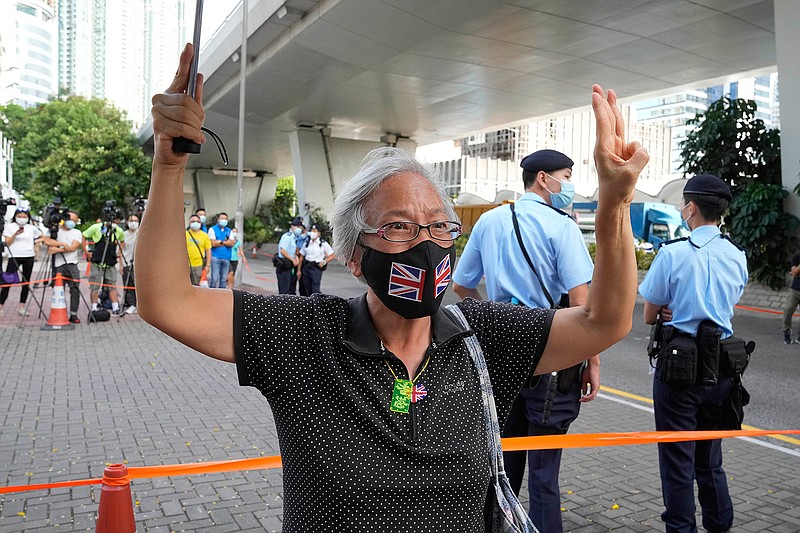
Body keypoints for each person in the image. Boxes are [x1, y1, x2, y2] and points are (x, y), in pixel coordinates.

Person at [138, 44, 647, 531]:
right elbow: (167, 300)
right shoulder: (306, 337)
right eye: (400, 227)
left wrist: (614, 203)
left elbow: (604, 321)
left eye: (439, 226)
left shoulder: (483, 338)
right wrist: (168, 165)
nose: (426, 242)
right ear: (355, 257)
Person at [452, 149, 599, 532]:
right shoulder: (562, 226)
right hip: (552, 349)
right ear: (543, 179)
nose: (569, 184)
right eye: (566, 176)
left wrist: (493, 316)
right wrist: (592, 362)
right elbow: (583, 305)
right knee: (544, 476)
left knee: (503, 468)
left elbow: (462, 285)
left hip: (501, 354)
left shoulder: (490, 220)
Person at [639, 174, 748, 533]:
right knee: (710, 460)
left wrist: (673, 309)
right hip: (723, 369)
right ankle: (720, 526)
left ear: (691, 208)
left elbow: (649, 313)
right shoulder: (737, 256)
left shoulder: (673, 253)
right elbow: (727, 305)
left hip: (680, 370)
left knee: (677, 463)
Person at [40, 210, 84, 324]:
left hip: (72, 264)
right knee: (58, 289)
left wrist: (57, 249)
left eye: (75, 220)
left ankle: (74, 314)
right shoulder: (56, 231)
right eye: (71, 219)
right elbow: (46, 241)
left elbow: (73, 248)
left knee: (75, 289)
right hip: (58, 265)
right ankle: (59, 312)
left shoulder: (77, 232)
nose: (72, 222)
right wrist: (63, 244)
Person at [0, 207, 44, 316]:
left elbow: (43, 237)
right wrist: (15, 234)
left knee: (26, 282)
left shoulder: (31, 228)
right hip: (14, 256)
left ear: (28, 218)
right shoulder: (10, 227)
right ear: (15, 216)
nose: (22, 219)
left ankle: (22, 306)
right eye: (19, 216)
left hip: (28, 256)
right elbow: (7, 242)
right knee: (8, 281)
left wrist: (35, 241)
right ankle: (1, 306)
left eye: (24, 217)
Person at [83, 214, 125, 317]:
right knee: (95, 286)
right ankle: (94, 307)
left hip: (110, 262)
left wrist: (119, 252)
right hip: (97, 262)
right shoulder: (96, 227)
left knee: (112, 285)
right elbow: (84, 235)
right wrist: (86, 252)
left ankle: (115, 307)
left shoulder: (117, 230)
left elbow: (122, 240)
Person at [299, 223, 336, 295]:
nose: (312, 233)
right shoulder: (307, 243)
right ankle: (308, 305)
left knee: (315, 289)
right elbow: (301, 256)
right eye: (312, 231)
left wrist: (324, 261)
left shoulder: (322, 243)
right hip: (306, 267)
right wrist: (299, 270)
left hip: (316, 268)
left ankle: (316, 304)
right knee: (306, 288)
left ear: (319, 233)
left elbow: (332, 255)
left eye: (314, 231)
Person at [275, 217, 303, 294]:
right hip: (284, 265)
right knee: (284, 290)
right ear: (292, 227)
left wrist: (296, 257)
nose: (300, 229)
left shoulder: (294, 238)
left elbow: (291, 251)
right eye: (298, 227)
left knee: (290, 289)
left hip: (290, 266)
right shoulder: (288, 237)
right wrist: (293, 259)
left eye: (300, 228)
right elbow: (283, 251)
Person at [208, 212, 234, 288]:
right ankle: (211, 294)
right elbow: (213, 243)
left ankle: (222, 295)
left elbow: (232, 243)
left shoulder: (229, 231)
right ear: (218, 219)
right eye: (222, 218)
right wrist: (226, 242)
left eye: (226, 219)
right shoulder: (212, 229)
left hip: (226, 257)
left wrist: (220, 242)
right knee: (214, 278)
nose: (224, 220)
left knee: (223, 279)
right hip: (215, 257)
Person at [186, 214, 211, 285]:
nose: (195, 223)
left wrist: (208, 265)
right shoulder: (184, 234)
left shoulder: (204, 236)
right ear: (189, 223)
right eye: (193, 221)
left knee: (196, 285)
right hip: (185, 265)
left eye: (197, 221)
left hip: (198, 265)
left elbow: (208, 250)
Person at [121, 214, 139, 314]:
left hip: (138, 264)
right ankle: (131, 304)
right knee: (128, 284)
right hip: (126, 262)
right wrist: (120, 264)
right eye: (131, 220)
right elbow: (120, 250)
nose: (133, 223)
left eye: (136, 220)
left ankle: (139, 304)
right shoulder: (123, 234)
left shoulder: (140, 232)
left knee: (138, 285)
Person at [782, 252, 800, 344]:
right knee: (788, 309)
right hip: (795, 290)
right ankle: (786, 332)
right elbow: (794, 272)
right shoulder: (797, 256)